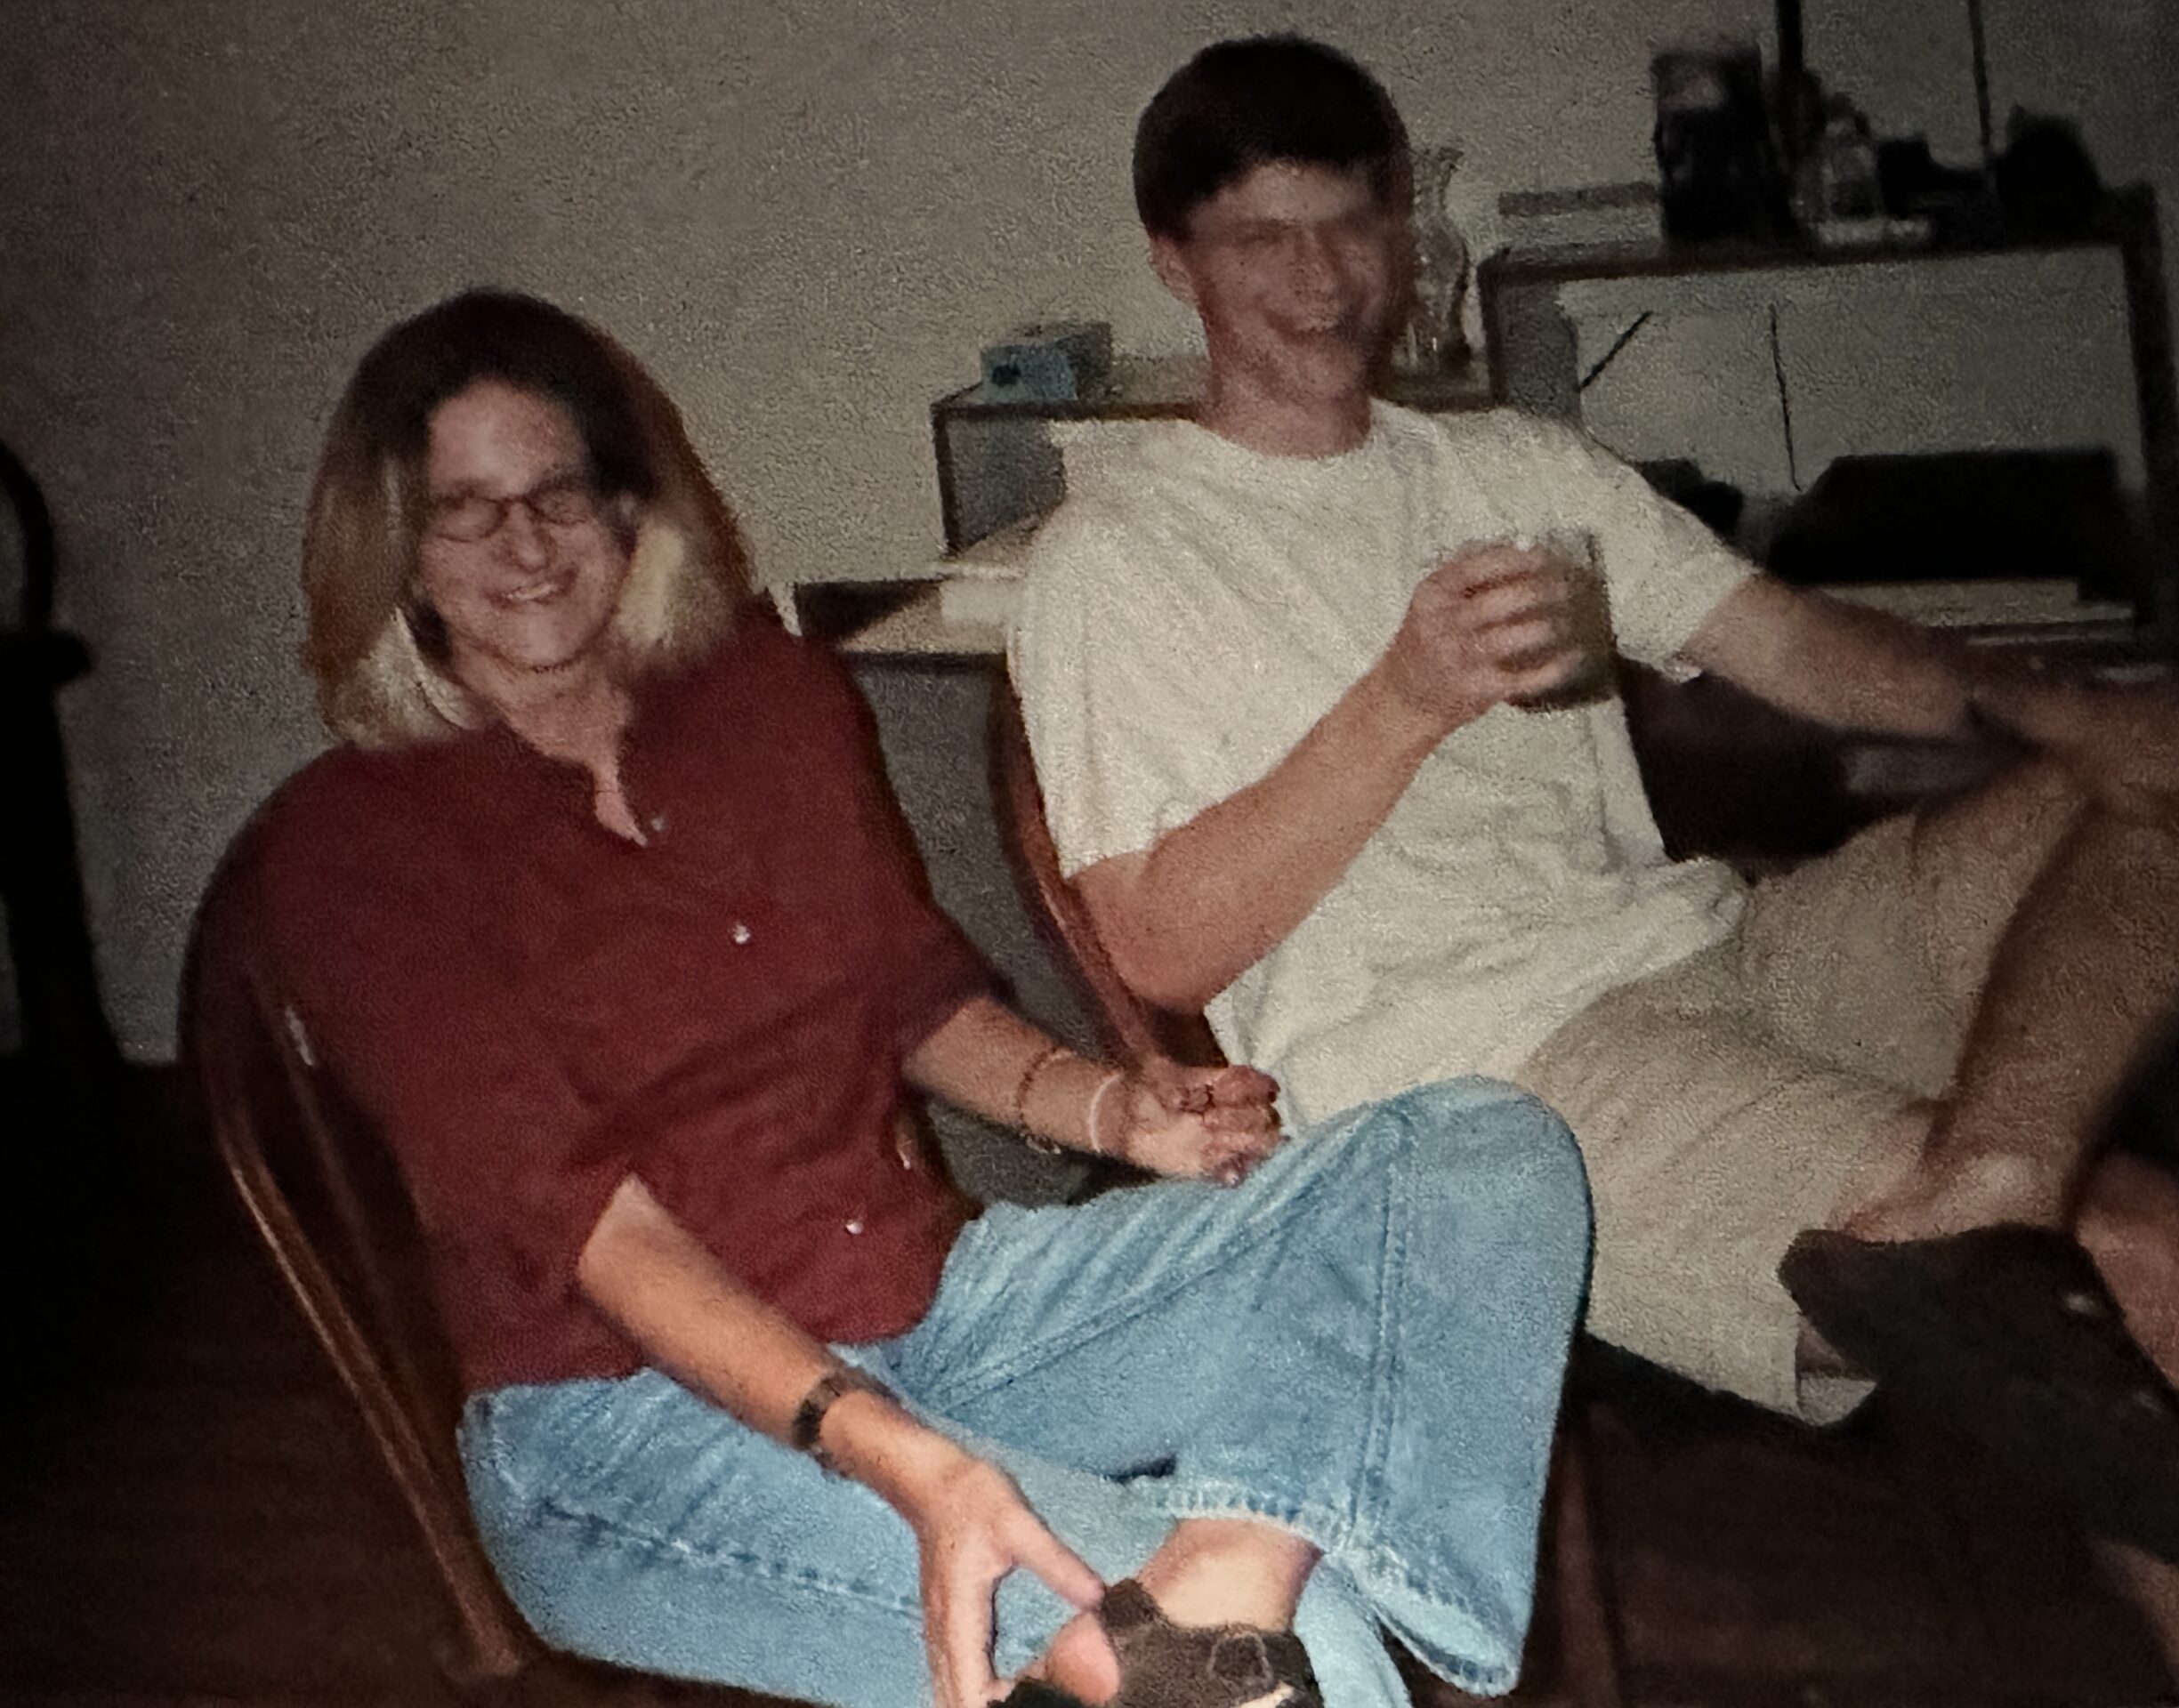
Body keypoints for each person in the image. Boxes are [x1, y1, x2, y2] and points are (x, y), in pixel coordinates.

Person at [1011, 34, 2179, 1697]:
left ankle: (1981, 1197)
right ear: (1177, 261)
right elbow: (1163, 949)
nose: (1322, 280)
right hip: (1495, 1077)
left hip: (1717, 951)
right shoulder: (1118, 556)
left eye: (1354, 226)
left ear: (1401, 233)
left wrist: (2068, 711)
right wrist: (1404, 699)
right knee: (2145, 1251)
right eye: (1263, 238)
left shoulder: (1510, 469)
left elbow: (1805, 652)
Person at [248, 288, 1593, 1708]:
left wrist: (1112, 1110)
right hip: (629, 1423)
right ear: (395, 547)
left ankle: (1242, 1554)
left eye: (560, 494)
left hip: (931, 1307)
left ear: (632, 509)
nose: (525, 547)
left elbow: (904, 990)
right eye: (465, 511)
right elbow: (596, 1234)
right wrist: (900, 1455)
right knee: (1282, 1671)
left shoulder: (767, 698)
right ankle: (1237, 1606)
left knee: (1482, 1157)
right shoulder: (355, 851)